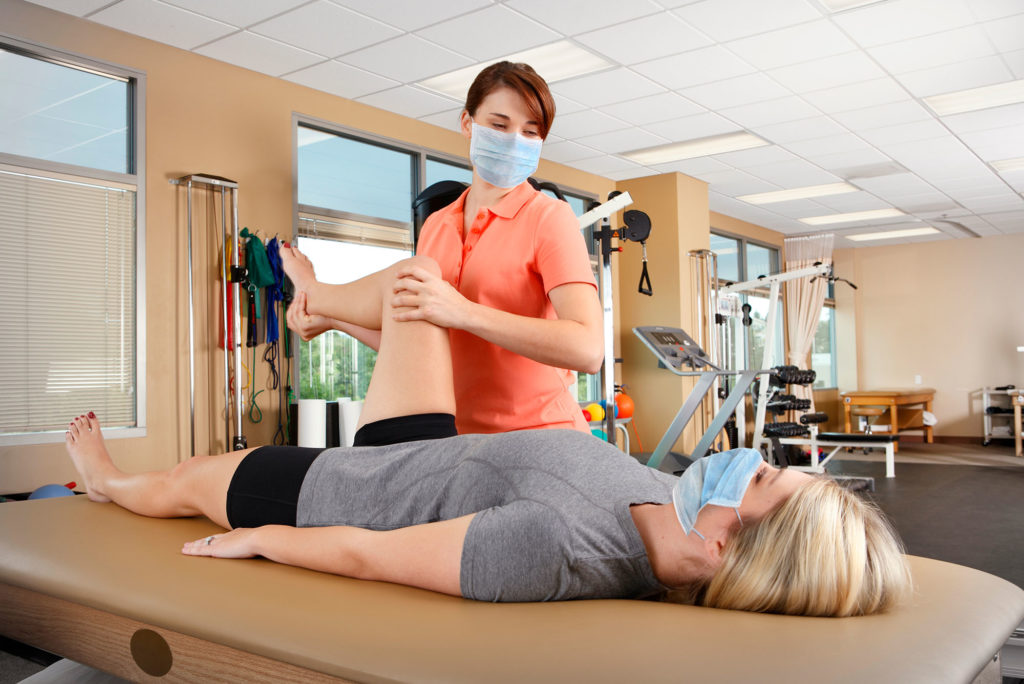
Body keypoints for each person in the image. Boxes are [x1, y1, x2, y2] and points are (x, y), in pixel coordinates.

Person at [64, 254, 911, 616]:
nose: (746, 462)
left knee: (184, 477)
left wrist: (266, 541)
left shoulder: (556, 551)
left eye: (761, 482)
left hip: (343, 489)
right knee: (415, 286)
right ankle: (316, 311)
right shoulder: (670, 503)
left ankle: (104, 484)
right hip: (426, 446)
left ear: (729, 551)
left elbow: (367, 553)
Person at [287, 61, 602, 435]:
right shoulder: (437, 225)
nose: (514, 140)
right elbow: (418, 338)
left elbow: (587, 349)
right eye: (500, 125)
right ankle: (320, 298)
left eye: (530, 132)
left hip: (542, 435)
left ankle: (318, 292)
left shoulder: (549, 217)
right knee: (413, 278)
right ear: (467, 123)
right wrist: (334, 321)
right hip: (459, 441)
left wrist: (464, 312)